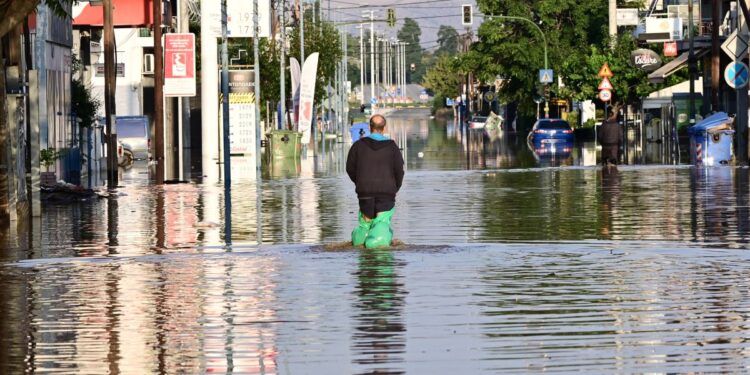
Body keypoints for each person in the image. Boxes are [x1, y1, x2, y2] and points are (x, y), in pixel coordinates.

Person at [346, 114, 404, 248]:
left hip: (364, 192)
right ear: (384, 128)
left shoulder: (358, 146)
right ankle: (377, 242)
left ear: (369, 127)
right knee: (381, 222)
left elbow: (350, 168)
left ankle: (360, 241)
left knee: (365, 223)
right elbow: (399, 171)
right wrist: (394, 188)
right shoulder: (392, 147)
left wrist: (360, 183)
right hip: (386, 192)